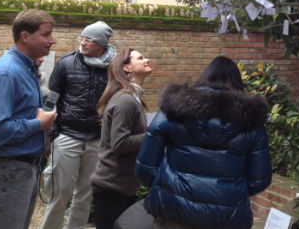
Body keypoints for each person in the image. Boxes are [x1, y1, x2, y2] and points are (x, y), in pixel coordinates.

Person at [135, 56, 272, 229]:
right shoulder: (251, 121)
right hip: (225, 219)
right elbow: (259, 180)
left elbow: (144, 167)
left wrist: (166, 187)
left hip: (174, 213)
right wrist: (230, 193)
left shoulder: (173, 109)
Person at [41, 21, 116, 229]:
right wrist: (51, 134)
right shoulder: (66, 63)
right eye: (81, 38)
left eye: (88, 39)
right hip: (67, 135)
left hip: (97, 138)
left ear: (101, 42)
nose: (82, 42)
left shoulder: (114, 67)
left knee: (85, 196)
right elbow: (51, 99)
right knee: (58, 193)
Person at [0, 9, 58, 229]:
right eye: (46, 34)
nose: (52, 40)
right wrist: (39, 124)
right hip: (9, 171)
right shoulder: (7, 73)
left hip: (25, 169)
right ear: (25, 36)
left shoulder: (27, 69)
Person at [91, 48, 153, 229]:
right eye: (141, 58)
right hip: (112, 187)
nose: (147, 60)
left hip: (123, 186)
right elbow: (119, 144)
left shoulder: (133, 98)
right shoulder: (125, 100)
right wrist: (151, 135)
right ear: (127, 68)